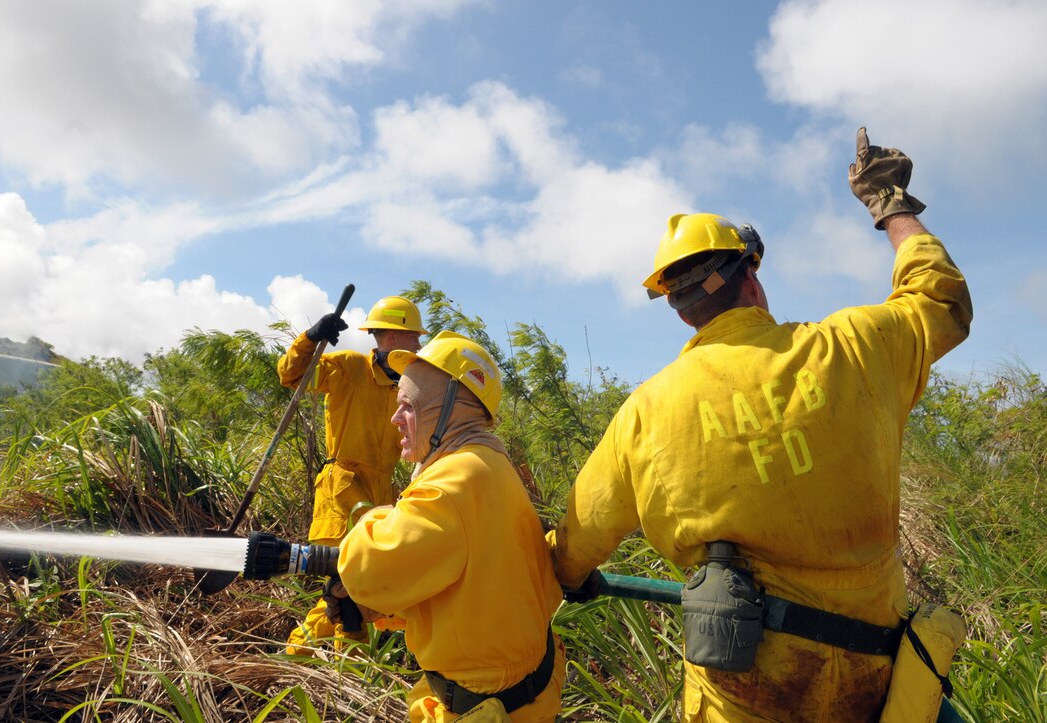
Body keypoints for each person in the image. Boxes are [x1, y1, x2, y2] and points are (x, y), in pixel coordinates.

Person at [547, 128, 972, 721]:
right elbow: (941, 300)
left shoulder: (645, 412)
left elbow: (573, 545)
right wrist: (890, 204)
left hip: (743, 697)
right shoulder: (850, 347)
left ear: (679, 306)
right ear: (752, 276)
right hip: (875, 689)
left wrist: (568, 574)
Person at [326, 331, 565, 722]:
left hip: (482, 702)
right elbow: (469, 584)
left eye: (408, 406)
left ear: (447, 408)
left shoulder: (454, 481)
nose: (394, 418)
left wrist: (372, 517)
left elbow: (368, 570)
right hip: (524, 693)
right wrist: (383, 611)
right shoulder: (488, 464)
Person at [278, 295, 425, 654]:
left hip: (378, 502)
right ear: (391, 337)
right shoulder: (348, 367)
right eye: (413, 336)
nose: (419, 344)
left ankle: (299, 661)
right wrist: (311, 338)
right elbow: (291, 374)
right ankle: (342, 673)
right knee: (346, 591)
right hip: (342, 493)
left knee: (354, 591)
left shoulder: (407, 389)